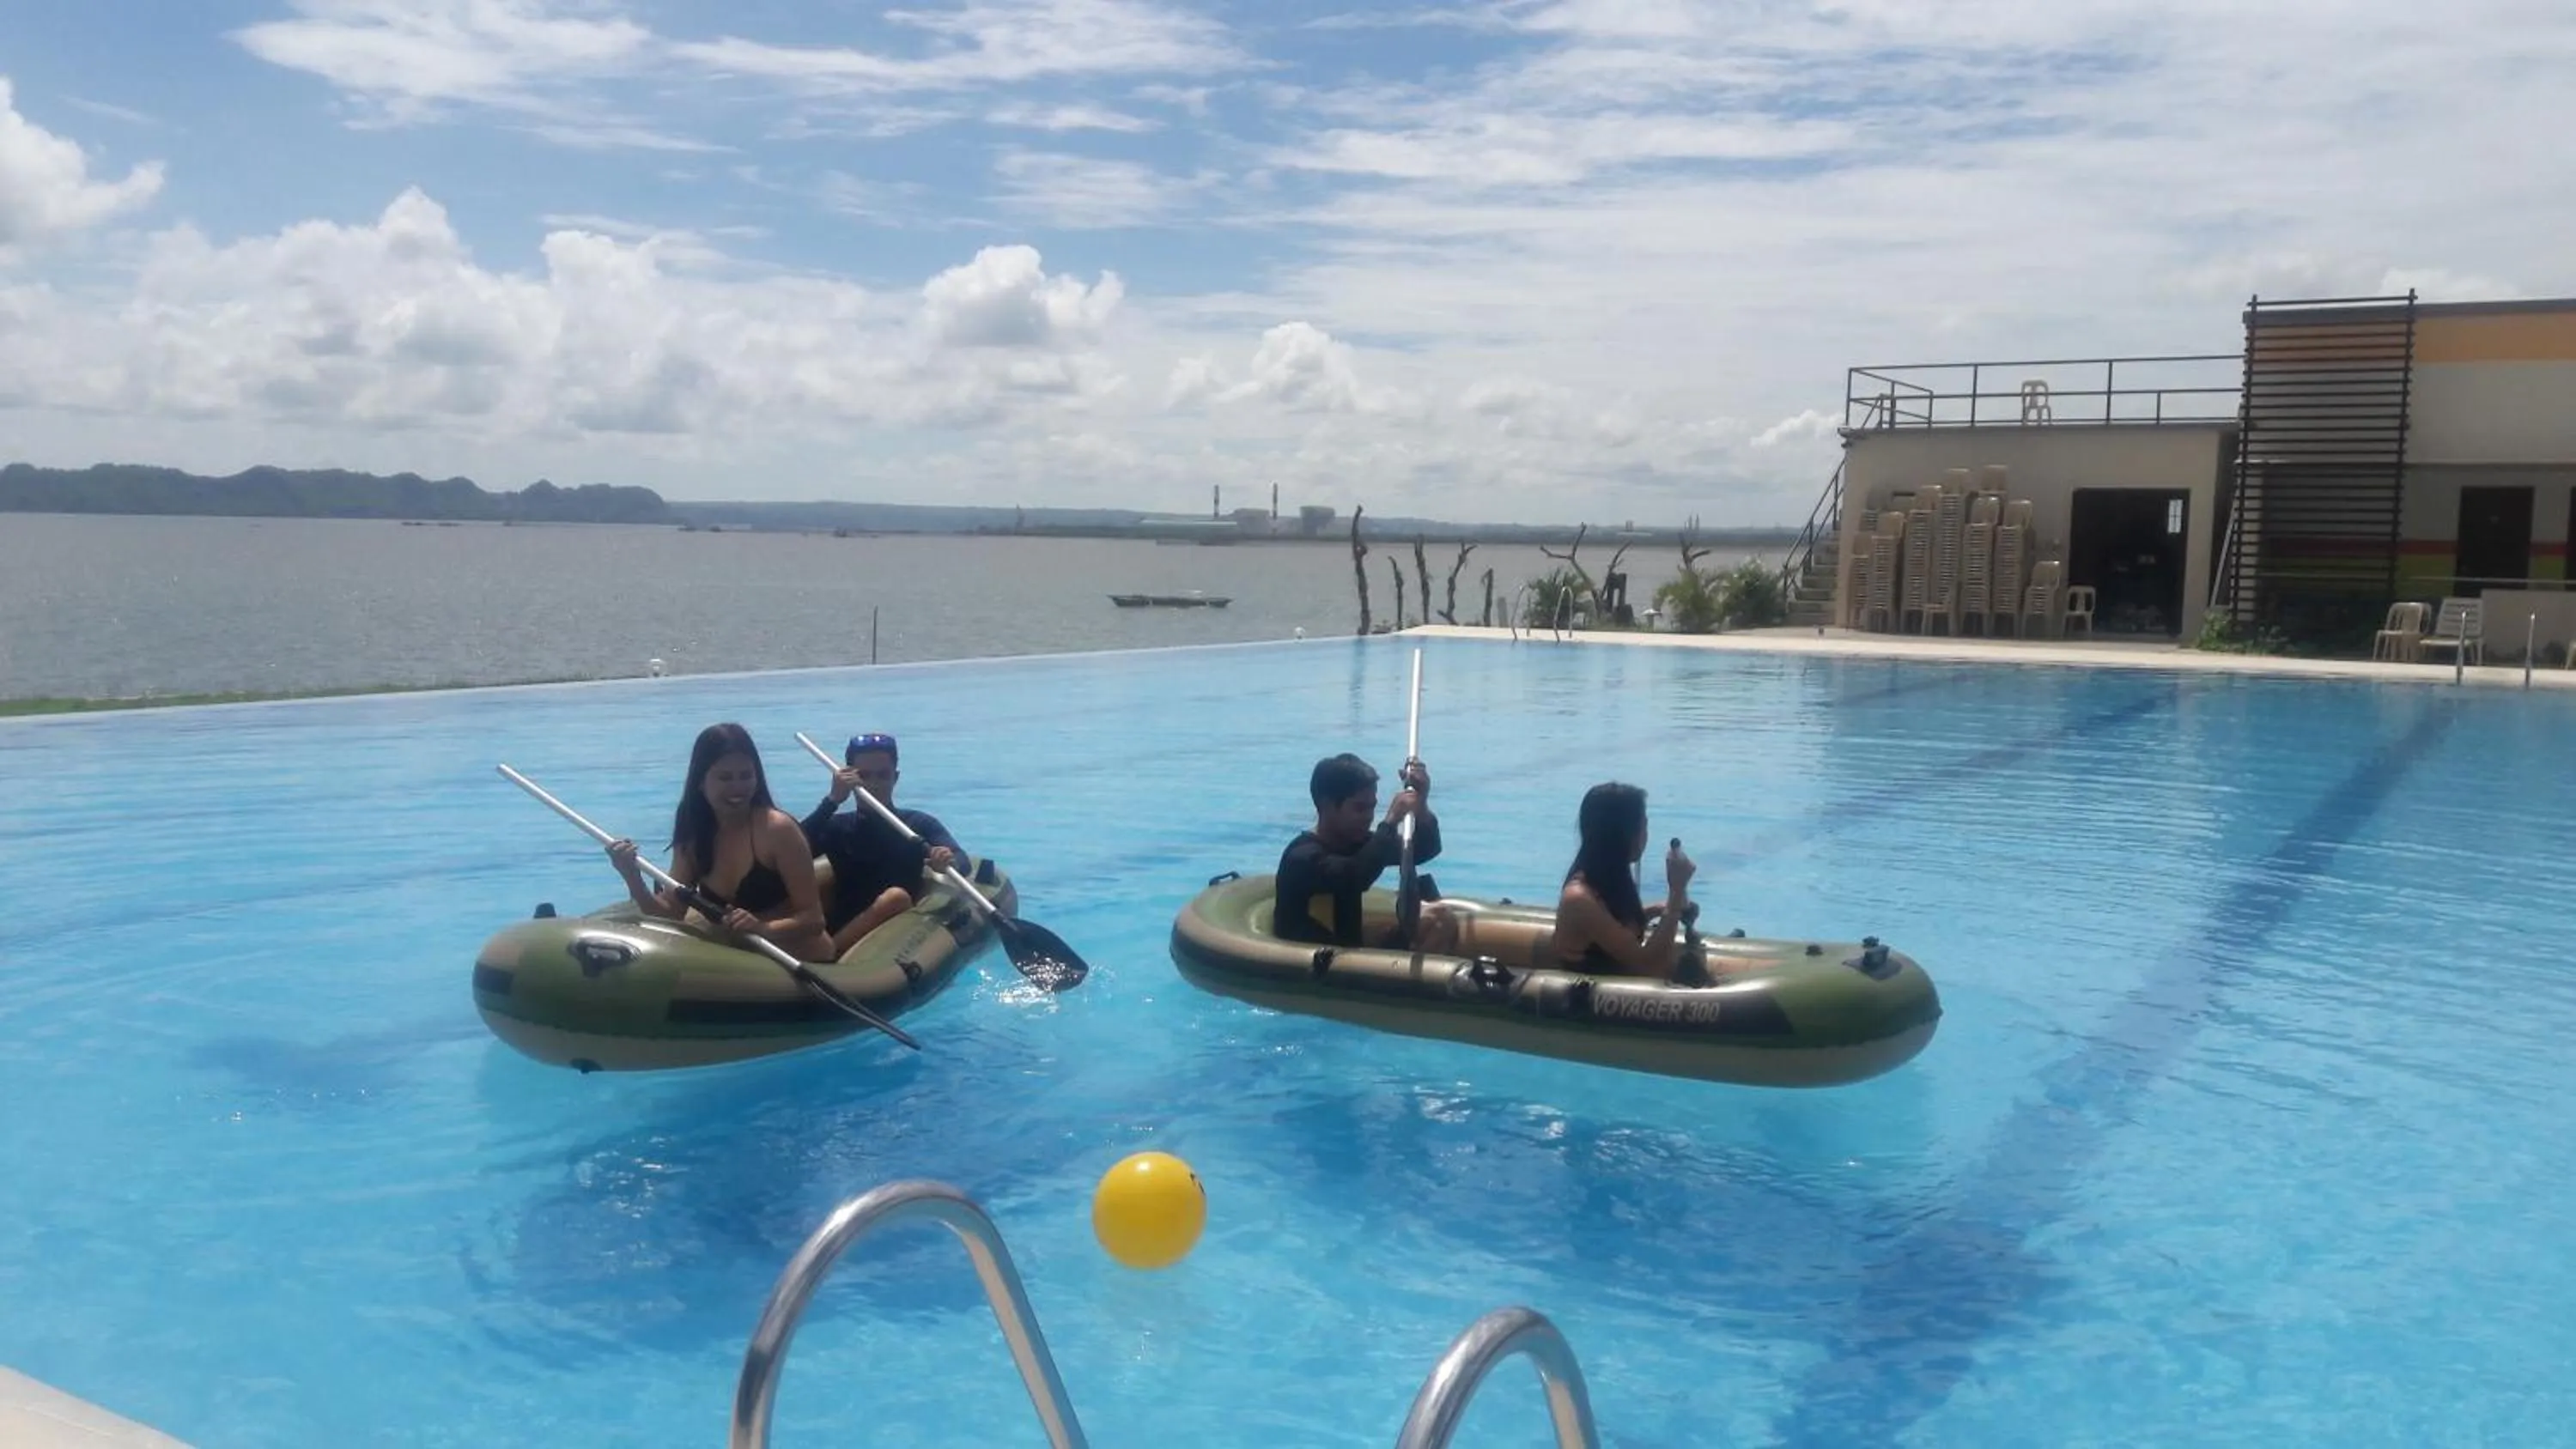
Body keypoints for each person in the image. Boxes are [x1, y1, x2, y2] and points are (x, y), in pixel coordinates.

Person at [606, 722, 834, 963]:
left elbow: (813, 920)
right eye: (725, 778)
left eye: (746, 776)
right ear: (701, 782)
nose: (737, 788)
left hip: (806, 964)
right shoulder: (694, 836)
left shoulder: (777, 830)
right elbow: (671, 915)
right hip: (743, 964)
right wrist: (632, 876)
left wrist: (763, 929)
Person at [799, 731, 965, 957]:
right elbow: (791, 852)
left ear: (895, 778)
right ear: (848, 778)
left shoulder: (917, 824)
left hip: (892, 932)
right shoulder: (836, 826)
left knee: (896, 897)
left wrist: (947, 860)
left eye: (883, 775)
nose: (874, 784)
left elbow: (962, 862)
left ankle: (828, 954)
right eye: (864, 776)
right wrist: (832, 801)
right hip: (841, 925)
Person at [1273, 752, 1461, 952]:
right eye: (1359, 809)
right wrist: (1389, 822)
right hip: (1316, 962)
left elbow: (1425, 848)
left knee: (1440, 920)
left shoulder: (1358, 843)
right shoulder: (1302, 858)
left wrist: (1421, 803)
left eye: (1372, 808)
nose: (1368, 818)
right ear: (1327, 806)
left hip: (1350, 951)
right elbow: (1355, 877)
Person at [1547, 782, 1698, 979]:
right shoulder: (1579, 899)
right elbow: (1649, 965)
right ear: (1621, 834)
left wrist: (1656, 910)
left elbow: (1612, 926)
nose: (1646, 835)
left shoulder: (1608, 880)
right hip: (1588, 1004)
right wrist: (1676, 891)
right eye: (1643, 826)